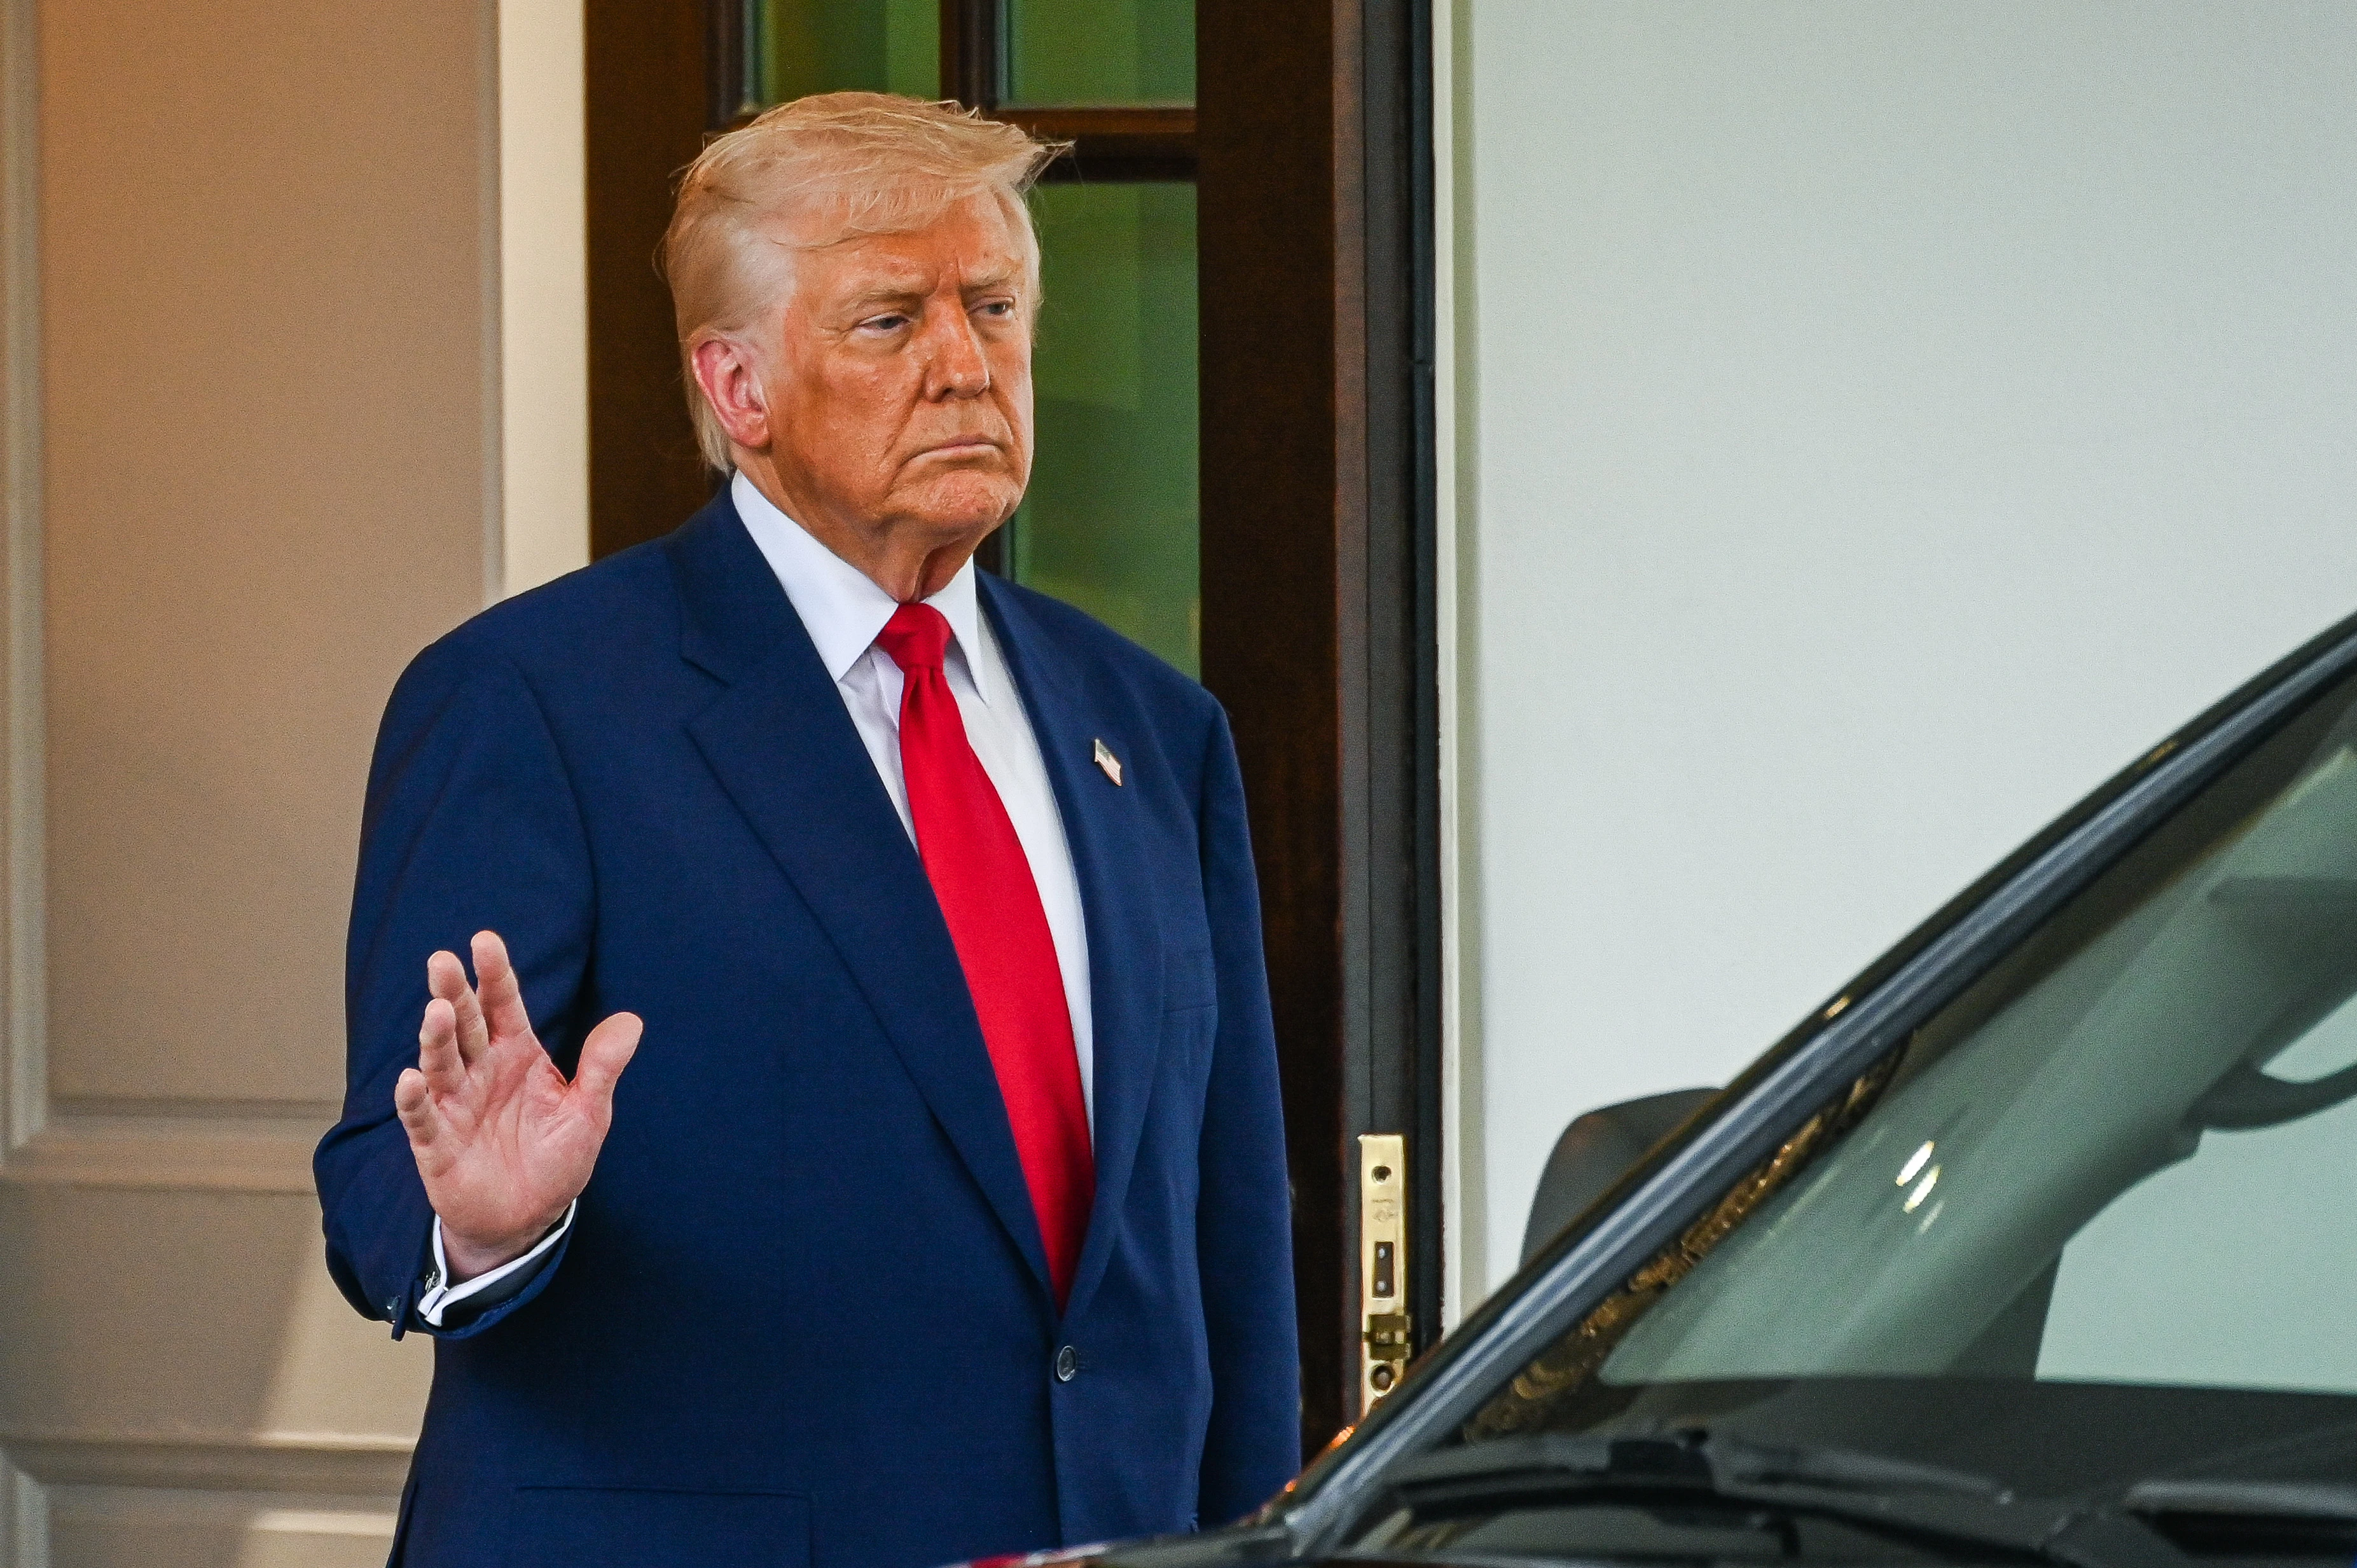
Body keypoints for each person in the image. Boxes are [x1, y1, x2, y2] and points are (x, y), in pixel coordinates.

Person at [314, 92, 1299, 1568]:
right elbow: (389, 1184)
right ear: (738, 388)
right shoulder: (531, 701)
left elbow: (1223, 1238)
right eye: (891, 320)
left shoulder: (1152, 727)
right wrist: (490, 1230)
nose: (969, 364)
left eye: (994, 305)